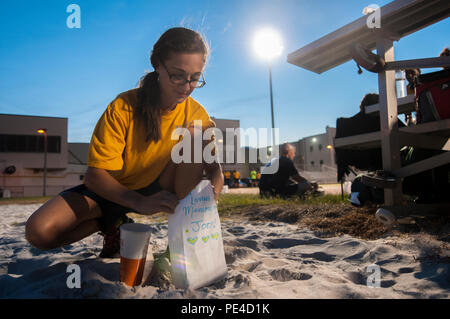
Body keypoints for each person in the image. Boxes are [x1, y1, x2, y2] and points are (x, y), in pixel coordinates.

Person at [25, 27, 224, 258]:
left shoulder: (197, 114)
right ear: (158, 65)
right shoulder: (123, 106)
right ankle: (114, 225)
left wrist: (208, 200)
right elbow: (94, 176)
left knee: (195, 139)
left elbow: (214, 170)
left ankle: (180, 246)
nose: (186, 86)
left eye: (195, 78)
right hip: (112, 189)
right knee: (39, 232)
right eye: (177, 75)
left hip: (162, 186)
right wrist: (138, 202)